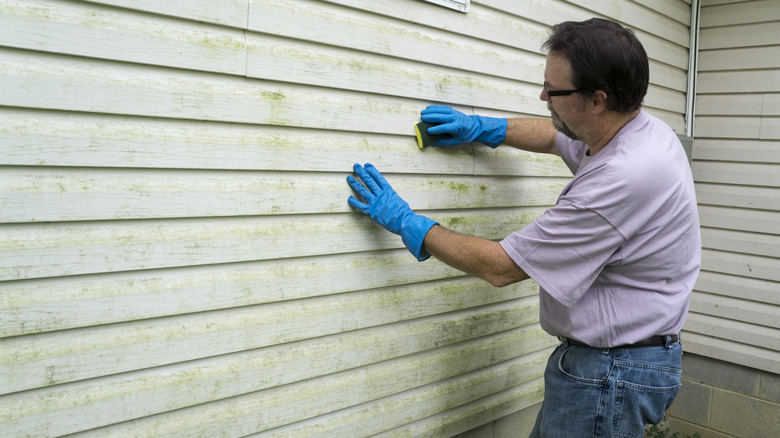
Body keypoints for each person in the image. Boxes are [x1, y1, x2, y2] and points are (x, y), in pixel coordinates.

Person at [346, 18, 701, 438]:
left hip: (610, 373)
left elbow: (501, 267)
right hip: (616, 363)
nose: (542, 96)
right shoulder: (639, 130)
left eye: (553, 90)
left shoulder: (619, 179)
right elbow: (555, 138)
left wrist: (407, 222)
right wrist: (483, 128)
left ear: (597, 100)